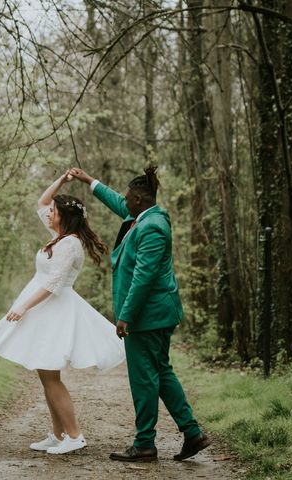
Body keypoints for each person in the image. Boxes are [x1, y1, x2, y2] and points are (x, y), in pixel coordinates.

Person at [0, 171, 125, 455]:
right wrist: (62, 179)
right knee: (46, 375)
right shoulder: (59, 236)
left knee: (51, 377)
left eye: (54, 211)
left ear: (63, 218)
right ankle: (58, 435)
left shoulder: (69, 244)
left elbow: (53, 285)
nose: (48, 213)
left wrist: (22, 307)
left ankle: (74, 435)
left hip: (54, 310)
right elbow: (41, 201)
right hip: (46, 309)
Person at [68, 166, 210, 462]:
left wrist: (125, 316)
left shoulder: (153, 227)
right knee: (161, 371)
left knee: (144, 378)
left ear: (138, 199)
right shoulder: (142, 216)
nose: (124, 200)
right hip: (154, 315)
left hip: (148, 316)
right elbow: (116, 202)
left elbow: (143, 278)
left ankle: (145, 443)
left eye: (128, 197)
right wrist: (88, 180)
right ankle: (193, 433)